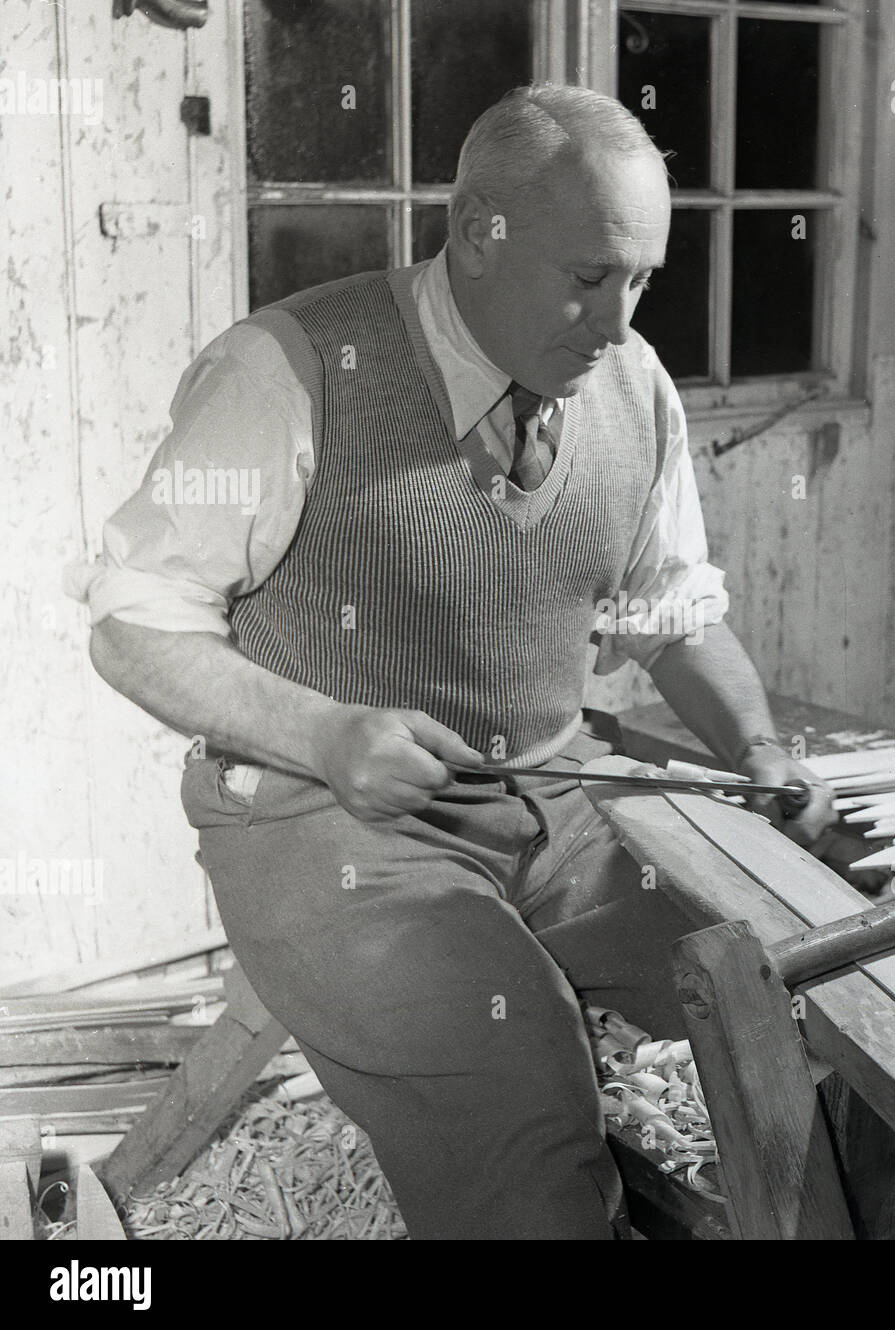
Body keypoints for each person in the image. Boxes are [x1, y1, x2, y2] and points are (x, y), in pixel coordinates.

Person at [73, 84, 836, 1239]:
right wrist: (326, 734)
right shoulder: (288, 368)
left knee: (806, 978)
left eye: (642, 282)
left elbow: (669, 613)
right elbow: (131, 621)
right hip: (326, 822)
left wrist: (759, 749)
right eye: (590, 279)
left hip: (553, 799)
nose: (619, 323)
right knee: (525, 1116)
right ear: (480, 229)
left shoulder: (632, 391)